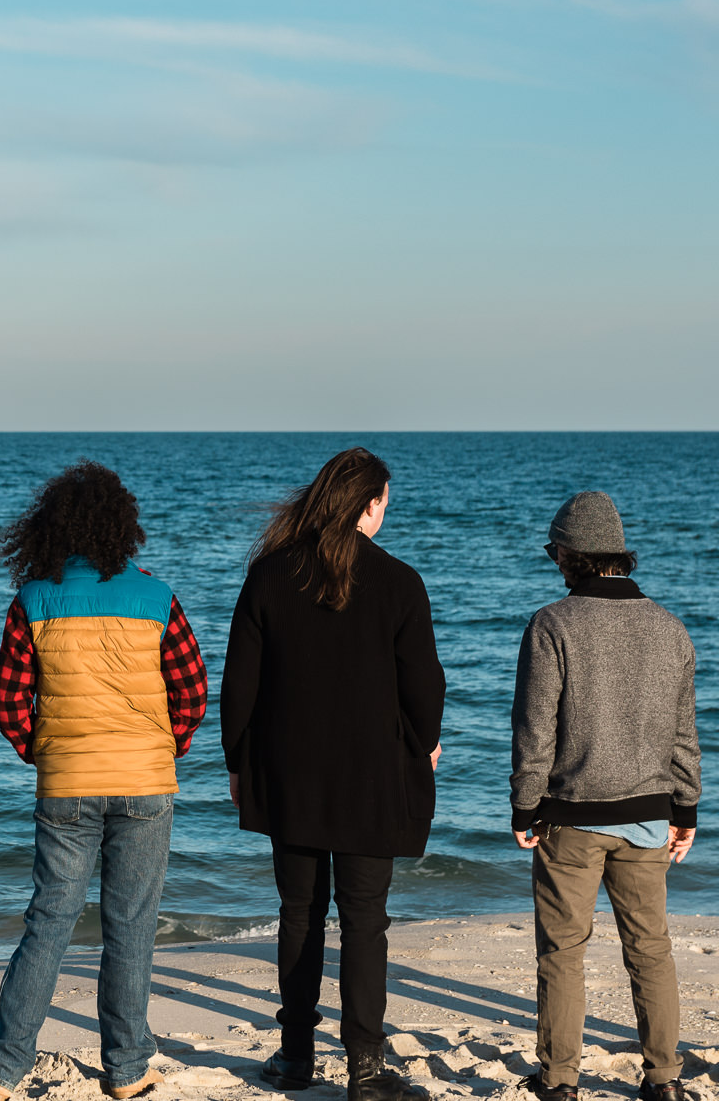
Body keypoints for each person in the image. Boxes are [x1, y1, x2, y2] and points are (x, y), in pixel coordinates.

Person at [0, 461, 208, 1101]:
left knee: (49, 922)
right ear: (124, 526)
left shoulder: (34, 598)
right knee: (131, 926)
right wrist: (161, 749)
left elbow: (8, 699)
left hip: (66, 783)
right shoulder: (157, 597)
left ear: (51, 527)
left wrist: (45, 753)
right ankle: (126, 1070)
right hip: (145, 782)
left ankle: (3, 1069)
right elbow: (194, 693)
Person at [219, 447, 445, 1101]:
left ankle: (295, 1058)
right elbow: (423, 685)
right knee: (365, 917)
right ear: (368, 503)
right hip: (373, 778)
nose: (385, 511)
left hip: (290, 774)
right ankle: (366, 1071)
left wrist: (238, 760)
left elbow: (239, 683)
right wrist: (426, 743)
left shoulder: (269, 575)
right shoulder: (401, 582)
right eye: (384, 501)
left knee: (299, 913)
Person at [509, 491, 701, 1101]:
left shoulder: (552, 625)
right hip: (648, 816)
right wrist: (686, 809)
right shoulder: (670, 629)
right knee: (650, 949)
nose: (552, 561)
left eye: (552, 551)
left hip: (570, 819)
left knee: (562, 951)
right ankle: (663, 1078)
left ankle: (561, 1080)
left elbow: (535, 730)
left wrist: (524, 805)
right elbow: (683, 736)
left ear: (570, 555)